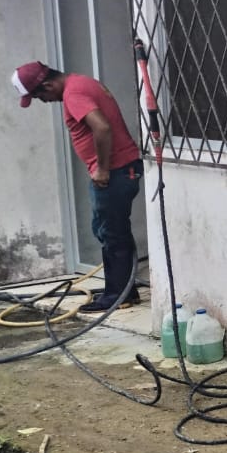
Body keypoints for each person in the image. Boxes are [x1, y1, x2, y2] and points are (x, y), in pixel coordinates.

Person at [12, 61, 144, 312]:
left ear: (47, 85)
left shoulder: (74, 93)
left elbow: (102, 126)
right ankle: (124, 291)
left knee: (112, 232)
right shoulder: (82, 82)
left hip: (115, 172)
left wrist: (102, 168)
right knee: (111, 230)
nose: (44, 101)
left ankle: (117, 295)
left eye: (39, 96)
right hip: (122, 169)